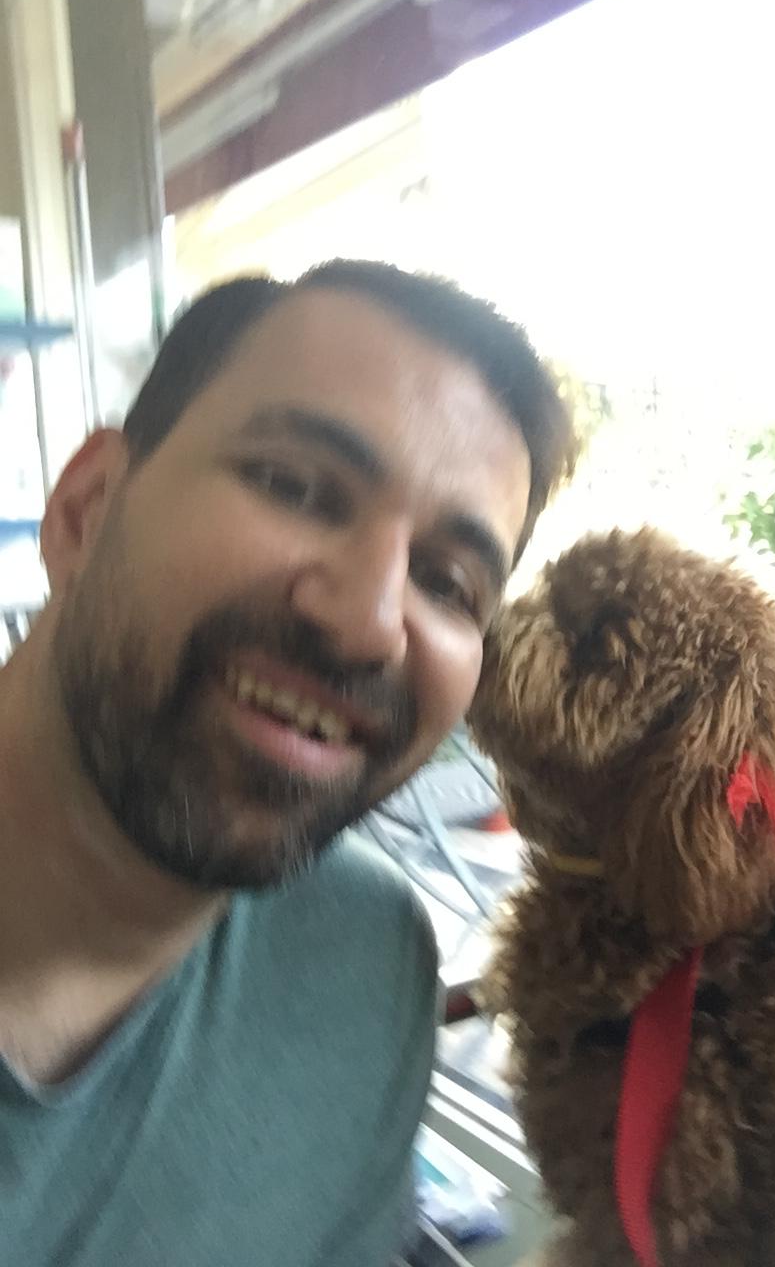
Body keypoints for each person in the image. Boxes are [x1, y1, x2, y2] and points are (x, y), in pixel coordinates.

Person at [0, 260, 576, 1266]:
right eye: (295, 487)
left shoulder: (366, 964)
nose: (368, 623)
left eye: (447, 581)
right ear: (87, 510)